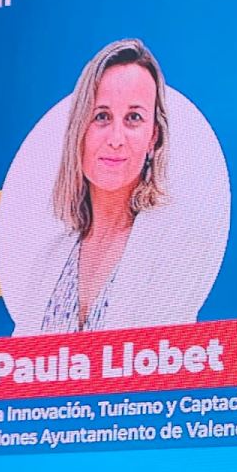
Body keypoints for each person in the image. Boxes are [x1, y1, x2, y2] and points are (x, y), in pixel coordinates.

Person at [43, 38, 170, 332]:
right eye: (101, 116)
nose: (115, 139)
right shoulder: (49, 257)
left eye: (133, 118)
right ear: (79, 129)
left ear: (153, 137)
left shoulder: (171, 250)